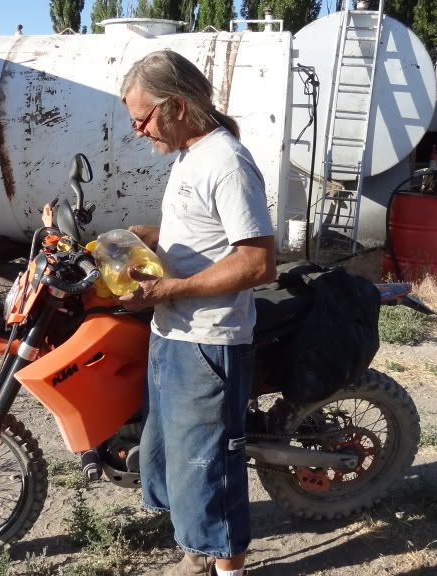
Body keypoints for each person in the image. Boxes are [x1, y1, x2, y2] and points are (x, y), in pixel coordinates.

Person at [117, 50, 277, 576]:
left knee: (209, 467)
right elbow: (205, 229)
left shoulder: (227, 161)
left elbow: (256, 261)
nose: (138, 131)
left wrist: (175, 287)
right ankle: (198, 555)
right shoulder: (191, 155)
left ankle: (226, 568)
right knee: (171, 460)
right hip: (174, 333)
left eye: (142, 118)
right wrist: (151, 235)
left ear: (178, 106)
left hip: (210, 342)